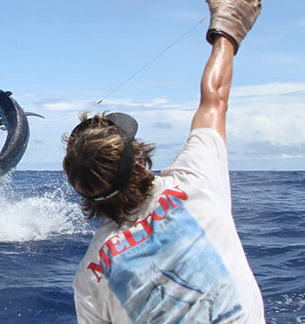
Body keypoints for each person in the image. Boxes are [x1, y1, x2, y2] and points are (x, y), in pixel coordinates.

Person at [63, 0, 264, 322]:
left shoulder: (90, 278)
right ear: (140, 164)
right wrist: (228, 28)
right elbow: (215, 99)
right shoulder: (195, 183)